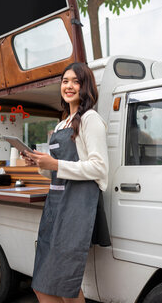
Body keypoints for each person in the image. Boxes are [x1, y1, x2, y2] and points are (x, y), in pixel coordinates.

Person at [24, 62, 111, 303]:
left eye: (75, 81)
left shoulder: (90, 119)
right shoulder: (61, 124)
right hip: (55, 207)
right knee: (42, 284)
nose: (69, 86)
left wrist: (55, 165)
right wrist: (40, 164)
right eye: (65, 81)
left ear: (86, 87)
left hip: (76, 209)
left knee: (64, 285)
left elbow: (99, 167)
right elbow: (56, 172)